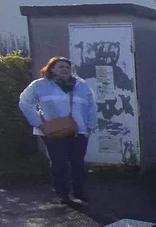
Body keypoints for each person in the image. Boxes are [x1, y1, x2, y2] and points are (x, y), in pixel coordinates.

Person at [19, 56, 97, 205]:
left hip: (78, 131)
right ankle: (63, 194)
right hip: (53, 132)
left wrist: (90, 126)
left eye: (67, 67)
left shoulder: (81, 85)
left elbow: (91, 107)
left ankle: (80, 192)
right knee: (59, 163)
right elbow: (25, 102)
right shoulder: (40, 85)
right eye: (60, 66)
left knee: (78, 163)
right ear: (51, 69)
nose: (65, 69)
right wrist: (39, 123)